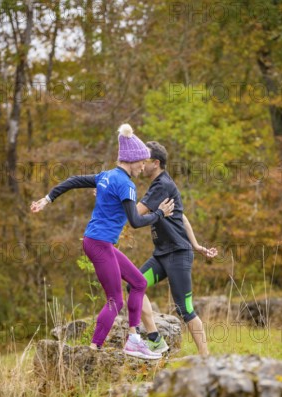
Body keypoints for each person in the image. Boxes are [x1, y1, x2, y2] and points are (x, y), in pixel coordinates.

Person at [30, 124, 174, 360]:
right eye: (141, 161)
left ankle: (134, 338)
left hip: (98, 242)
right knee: (115, 300)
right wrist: (159, 214)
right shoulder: (126, 184)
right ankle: (95, 348)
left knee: (138, 282)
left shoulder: (107, 176)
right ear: (132, 159)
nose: (143, 166)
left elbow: (73, 180)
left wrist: (48, 198)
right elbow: (136, 221)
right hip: (99, 244)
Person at [133, 141, 218, 356]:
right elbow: (183, 216)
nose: (141, 163)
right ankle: (154, 338)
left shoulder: (162, 184)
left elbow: (135, 213)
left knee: (184, 309)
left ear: (156, 163)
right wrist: (197, 245)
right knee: (136, 285)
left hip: (178, 254)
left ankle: (206, 358)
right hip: (162, 254)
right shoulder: (158, 186)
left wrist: (109, 197)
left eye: (145, 160)